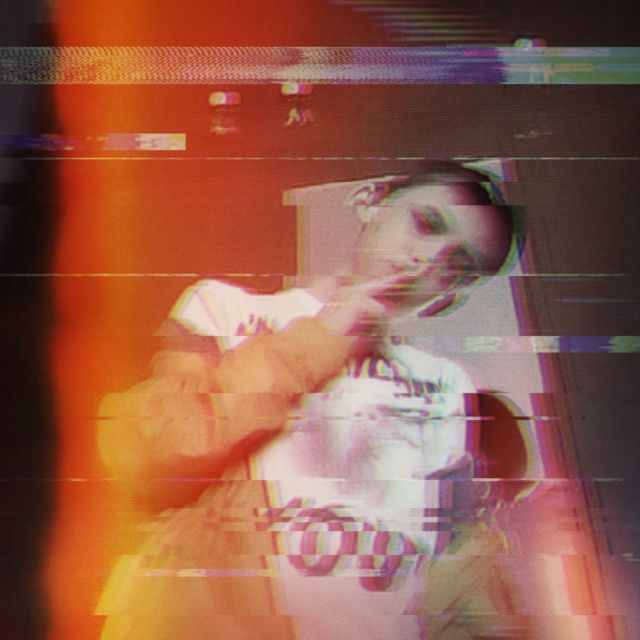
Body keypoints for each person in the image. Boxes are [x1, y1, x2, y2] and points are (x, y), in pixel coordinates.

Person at [96, 161, 529, 639]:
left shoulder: (447, 387)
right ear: (372, 200)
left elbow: (459, 575)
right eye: (426, 224)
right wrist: (327, 335)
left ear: (451, 295)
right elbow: (154, 458)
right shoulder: (226, 310)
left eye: (456, 266)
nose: (426, 262)